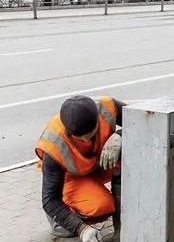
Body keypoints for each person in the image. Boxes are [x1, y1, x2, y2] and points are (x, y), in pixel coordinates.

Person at [36, 95, 125, 241]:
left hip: (99, 162)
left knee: (127, 151)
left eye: (90, 135)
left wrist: (118, 136)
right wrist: (82, 229)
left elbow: (140, 122)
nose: (85, 140)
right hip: (71, 176)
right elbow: (50, 200)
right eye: (79, 138)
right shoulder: (53, 145)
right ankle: (61, 221)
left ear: (97, 120)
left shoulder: (107, 108)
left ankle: (121, 226)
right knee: (102, 206)